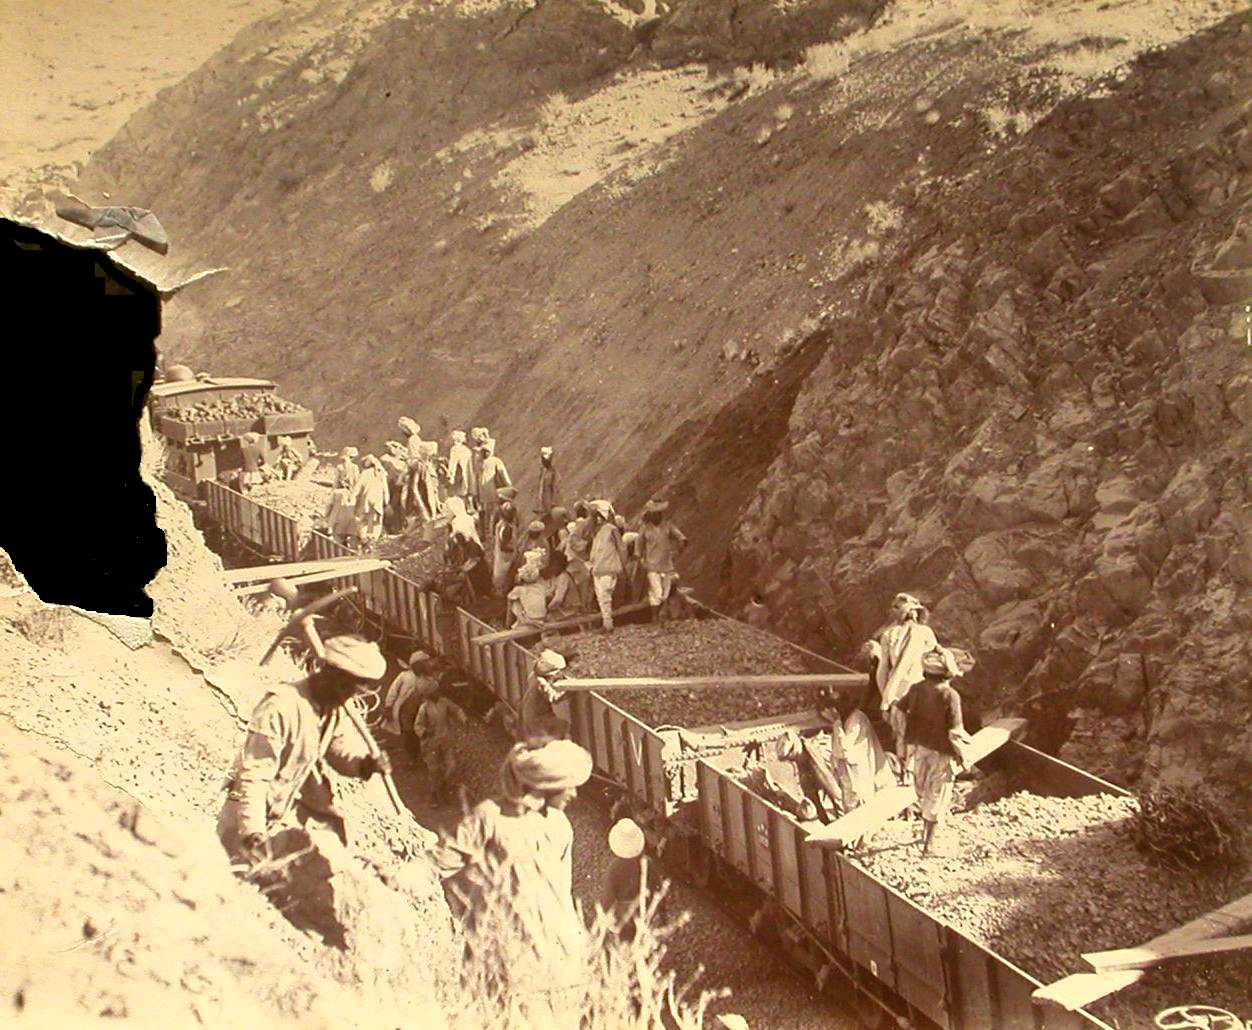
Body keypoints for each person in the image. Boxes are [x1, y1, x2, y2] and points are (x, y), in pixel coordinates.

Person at [433, 739, 593, 1025]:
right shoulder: (490, 817)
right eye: (568, 785)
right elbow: (442, 859)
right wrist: (399, 874)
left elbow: (561, 892)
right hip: (503, 947)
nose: (574, 793)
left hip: (553, 950)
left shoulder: (558, 825)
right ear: (544, 786)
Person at [217, 635, 392, 867]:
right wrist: (252, 833)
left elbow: (336, 750)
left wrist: (365, 765)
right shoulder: (280, 707)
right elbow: (254, 775)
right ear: (329, 675)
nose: (349, 697)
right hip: (245, 817)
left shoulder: (332, 707)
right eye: (348, 688)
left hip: (278, 812)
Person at [903, 647, 974, 856]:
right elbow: (955, 731)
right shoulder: (950, 695)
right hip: (941, 752)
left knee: (924, 793)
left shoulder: (916, 688)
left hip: (919, 748)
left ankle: (923, 836)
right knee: (938, 797)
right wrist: (963, 756)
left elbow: (899, 710)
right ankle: (929, 846)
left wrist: (906, 743)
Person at [875, 593, 939, 770]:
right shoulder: (923, 632)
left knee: (903, 732)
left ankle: (908, 770)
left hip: (900, 690)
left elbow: (883, 670)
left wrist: (886, 696)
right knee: (913, 732)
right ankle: (912, 771)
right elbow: (937, 658)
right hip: (914, 689)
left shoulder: (889, 635)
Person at [823, 684, 896, 815]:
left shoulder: (856, 720)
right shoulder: (846, 720)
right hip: (849, 770)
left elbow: (844, 750)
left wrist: (836, 723)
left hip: (858, 768)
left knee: (860, 803)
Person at [600, 818, 666, 943]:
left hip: (623, 917)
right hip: (644, 912)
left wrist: (605, 924)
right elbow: (658, 890)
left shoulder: (614, 868)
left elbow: (608, 899)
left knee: (626, 947)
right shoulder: (648, 863)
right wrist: (662, 916)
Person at [414, 687, 470, 806]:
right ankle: (434, 795)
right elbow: (418, 725)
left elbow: (456, 709)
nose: (436, 694)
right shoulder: (424, 708)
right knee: (434, 770)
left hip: (446, 741)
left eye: (436, 691)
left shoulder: (444, 702)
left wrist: (463, 718)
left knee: (452, 766)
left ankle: (444, 786)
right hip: (431, 744)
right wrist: (425, 732)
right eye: (433, 693)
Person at [636, 500, 687, 623]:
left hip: (666, 565)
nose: (657, 516)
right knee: (656, 592)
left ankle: (661, 616)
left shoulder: (668, 526)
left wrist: (679, 550)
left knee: (664, 591)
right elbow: (638, 546)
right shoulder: (644, 529)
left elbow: (682, 538)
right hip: (651, 565)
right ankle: (656, 616)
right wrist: (640, 560)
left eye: (659, 513)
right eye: (655, 513)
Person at [382, 650, 438, 757]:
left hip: (420, 711)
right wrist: (388, 706)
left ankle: (421, 754)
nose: (428, 666)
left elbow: (433, 697)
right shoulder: (405, 676)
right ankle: (413, 756)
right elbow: (393, 691)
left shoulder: (431, 682)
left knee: (419, 731)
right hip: (405, 710)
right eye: (424, 663)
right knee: (408, 733)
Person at [588, 500, 627, 632]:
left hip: (607, 568)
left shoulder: (611, 530)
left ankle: (608, 625)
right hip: (599, 569)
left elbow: (621, 549)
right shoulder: (597, 532)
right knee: (602, 598)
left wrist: (623, 565)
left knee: (605, 597)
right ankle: (607, 623)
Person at [518, 649, 571, 742]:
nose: (559, 674)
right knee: (565, 726)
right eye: (557, 672)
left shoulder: (534, 676)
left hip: (529, 715)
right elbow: (554, 699)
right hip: (538, 717)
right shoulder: (542, 683)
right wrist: (569, 690)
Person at [477, 438, 512, 542]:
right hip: (483, 494)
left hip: (493, 493)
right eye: (483, 451)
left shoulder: (496, 461)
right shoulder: (480, 462)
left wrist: (509, 487)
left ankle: (494, 535)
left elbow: (503, 474)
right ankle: (486, 534)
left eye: (487, 451)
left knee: (494, 514)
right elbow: (477, 478)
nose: (485, 453)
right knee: (484, 514)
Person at [562, 502, 595, 613]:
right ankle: (584, 609)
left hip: (576, 559)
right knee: (584, 582)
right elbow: (575, 544)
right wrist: (587, 543)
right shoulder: (581, 524)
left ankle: (584, 608)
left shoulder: (579, 525)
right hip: (575, 560)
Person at [352, 455, 390, 546]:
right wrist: (387, 502)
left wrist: (352, 497)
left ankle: (364, 539)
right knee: (377, 521)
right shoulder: (381, 473)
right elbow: (385, 489)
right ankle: (374, 539)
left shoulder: (364, 473)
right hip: (377, 499)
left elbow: (357, 488)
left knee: (362, 520)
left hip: (366, 499)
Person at [492, 501, 519, 596]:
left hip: (501, 554)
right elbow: (504, 545)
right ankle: (502, 591)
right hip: (505, 556)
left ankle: (500, 590)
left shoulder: (501, 524)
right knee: (505, 573)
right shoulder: (507, 528)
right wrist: (515, 549)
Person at [447, 430, 474, 504]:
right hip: (467, 472)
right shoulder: (466, 449)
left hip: (459, 472)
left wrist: (450, 476)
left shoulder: (455, 449)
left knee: (458, 492)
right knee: (466, 490)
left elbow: (453, 463)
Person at [537, 446, 559, 515]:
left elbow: (554, 487)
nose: (543, 461)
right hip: (545, 500)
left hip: (550, 502)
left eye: (544, 460)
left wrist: (553, 502)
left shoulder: (552, 473)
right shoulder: (543, 471)